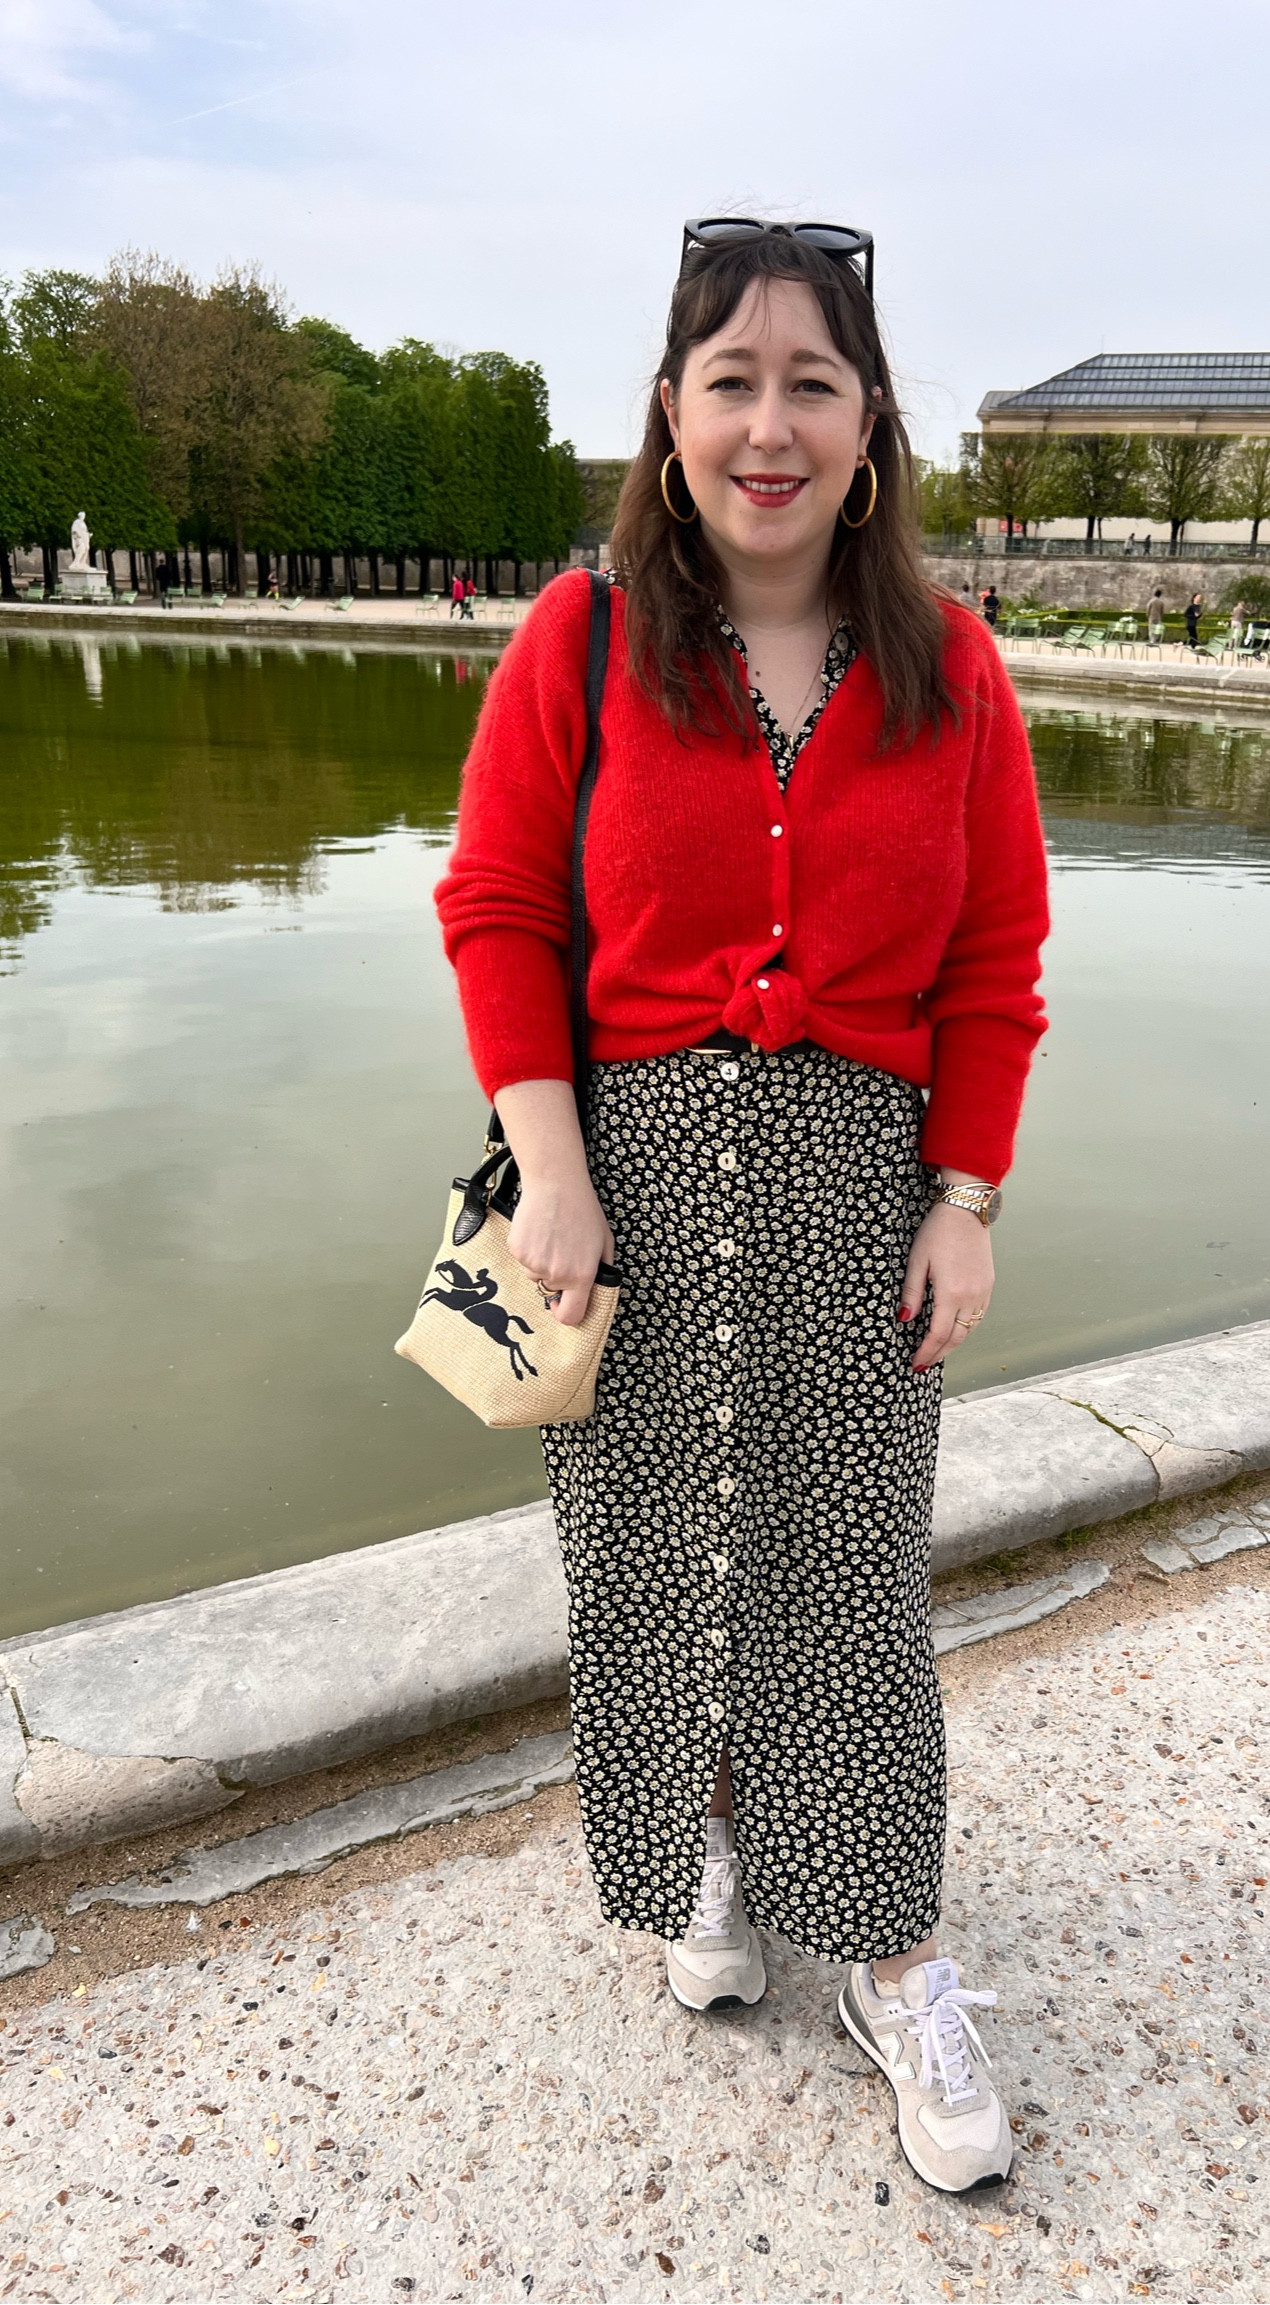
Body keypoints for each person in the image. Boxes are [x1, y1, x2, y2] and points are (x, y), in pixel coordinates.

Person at [435, 217, 1049, 2196]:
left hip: (858, 1180)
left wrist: (966, 1198)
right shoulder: (582, 638)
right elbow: (503, 906)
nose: (768, 424)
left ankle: (888, 1945)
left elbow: (996, 963)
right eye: (732, 380)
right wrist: (547, 1161)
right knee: (646, 1555)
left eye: (812, 381)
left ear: (871, 424)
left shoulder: (953, 669)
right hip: (610, 1184)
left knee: (848, 1578)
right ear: (670, 412)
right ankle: (707, 1842)